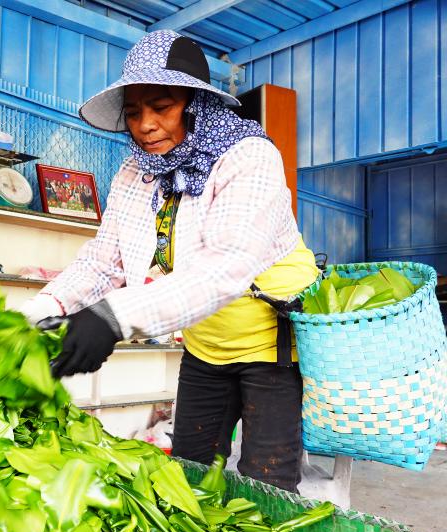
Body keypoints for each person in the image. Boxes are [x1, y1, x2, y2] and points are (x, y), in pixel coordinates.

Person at [20, 30, 319, 493]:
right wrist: (43, 311)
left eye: (161, 107)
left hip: (270, 346)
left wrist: (114, 317)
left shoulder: (249, 158)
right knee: (187, 479)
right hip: (205, 345)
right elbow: (105, 261)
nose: (145, 125)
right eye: (135, 112)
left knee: (267, 488)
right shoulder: (137, 172)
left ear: (196, 104)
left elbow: (226, 266)